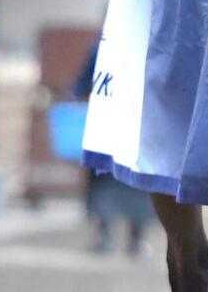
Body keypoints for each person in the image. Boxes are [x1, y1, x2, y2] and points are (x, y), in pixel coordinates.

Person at [73, 41, 155, 255]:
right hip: (130, 128)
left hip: (117, 127)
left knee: (111, 181)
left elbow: (82, 84)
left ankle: (110, 236)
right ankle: (129, 239)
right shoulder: (150, 44)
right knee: (126, 182)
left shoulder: (105, 45)